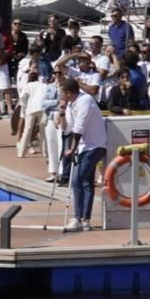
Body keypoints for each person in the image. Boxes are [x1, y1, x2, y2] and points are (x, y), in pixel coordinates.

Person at [59, 76, 108, 233]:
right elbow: (68, 128)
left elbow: (80, 127)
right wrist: (61, 113)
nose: (61, 95)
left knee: (77, 180)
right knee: (86, 182)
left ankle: (77, 218)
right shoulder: (71, 104)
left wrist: (72, 149)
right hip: (84, 147)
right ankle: (86, 220)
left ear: (68, 92)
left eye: (62, 92)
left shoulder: (85, 101)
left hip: (95, 146)